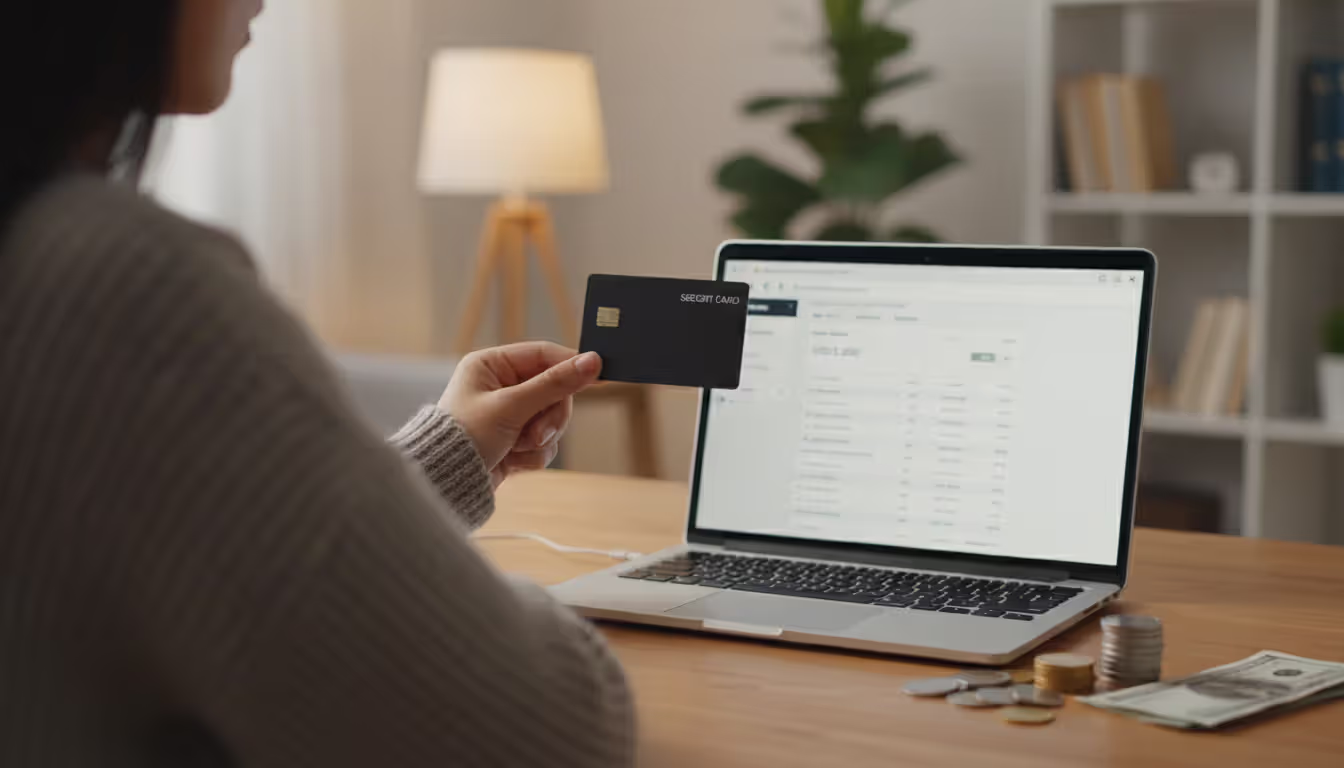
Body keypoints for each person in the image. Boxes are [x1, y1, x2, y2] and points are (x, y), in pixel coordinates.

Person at [0, 1, 634, 766]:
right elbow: (552, 727)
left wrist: (451, 452)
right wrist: (500, 604)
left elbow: (214, 552)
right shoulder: (124, 290)